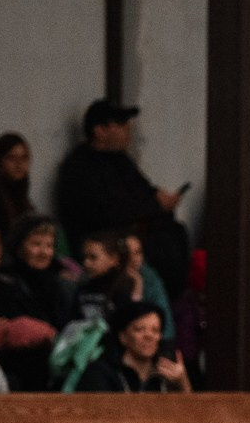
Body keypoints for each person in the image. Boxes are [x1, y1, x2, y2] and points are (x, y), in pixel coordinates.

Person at [55, 99, 187, 293]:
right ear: (100, 130)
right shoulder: (80, 168)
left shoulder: (120, 160)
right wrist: (153, 207)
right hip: (105, 240)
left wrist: (160, 199)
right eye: (122, 125)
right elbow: (111, 213)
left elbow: (145, 191)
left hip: (139, 233)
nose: (128, 131)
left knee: (175, 233)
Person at [76, 301, 191, 393]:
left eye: (155, 330)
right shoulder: (100, 373)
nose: (149, 336)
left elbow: (190, 417)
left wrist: (182, 383)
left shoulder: (165, 376)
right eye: (139, 329)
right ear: (123, 337)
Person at [73, 231, 138, 327]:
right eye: (85, 257)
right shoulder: (83, 288)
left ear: (114, 259)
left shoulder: (123, 288)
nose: (86, 263)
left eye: (93, 257)